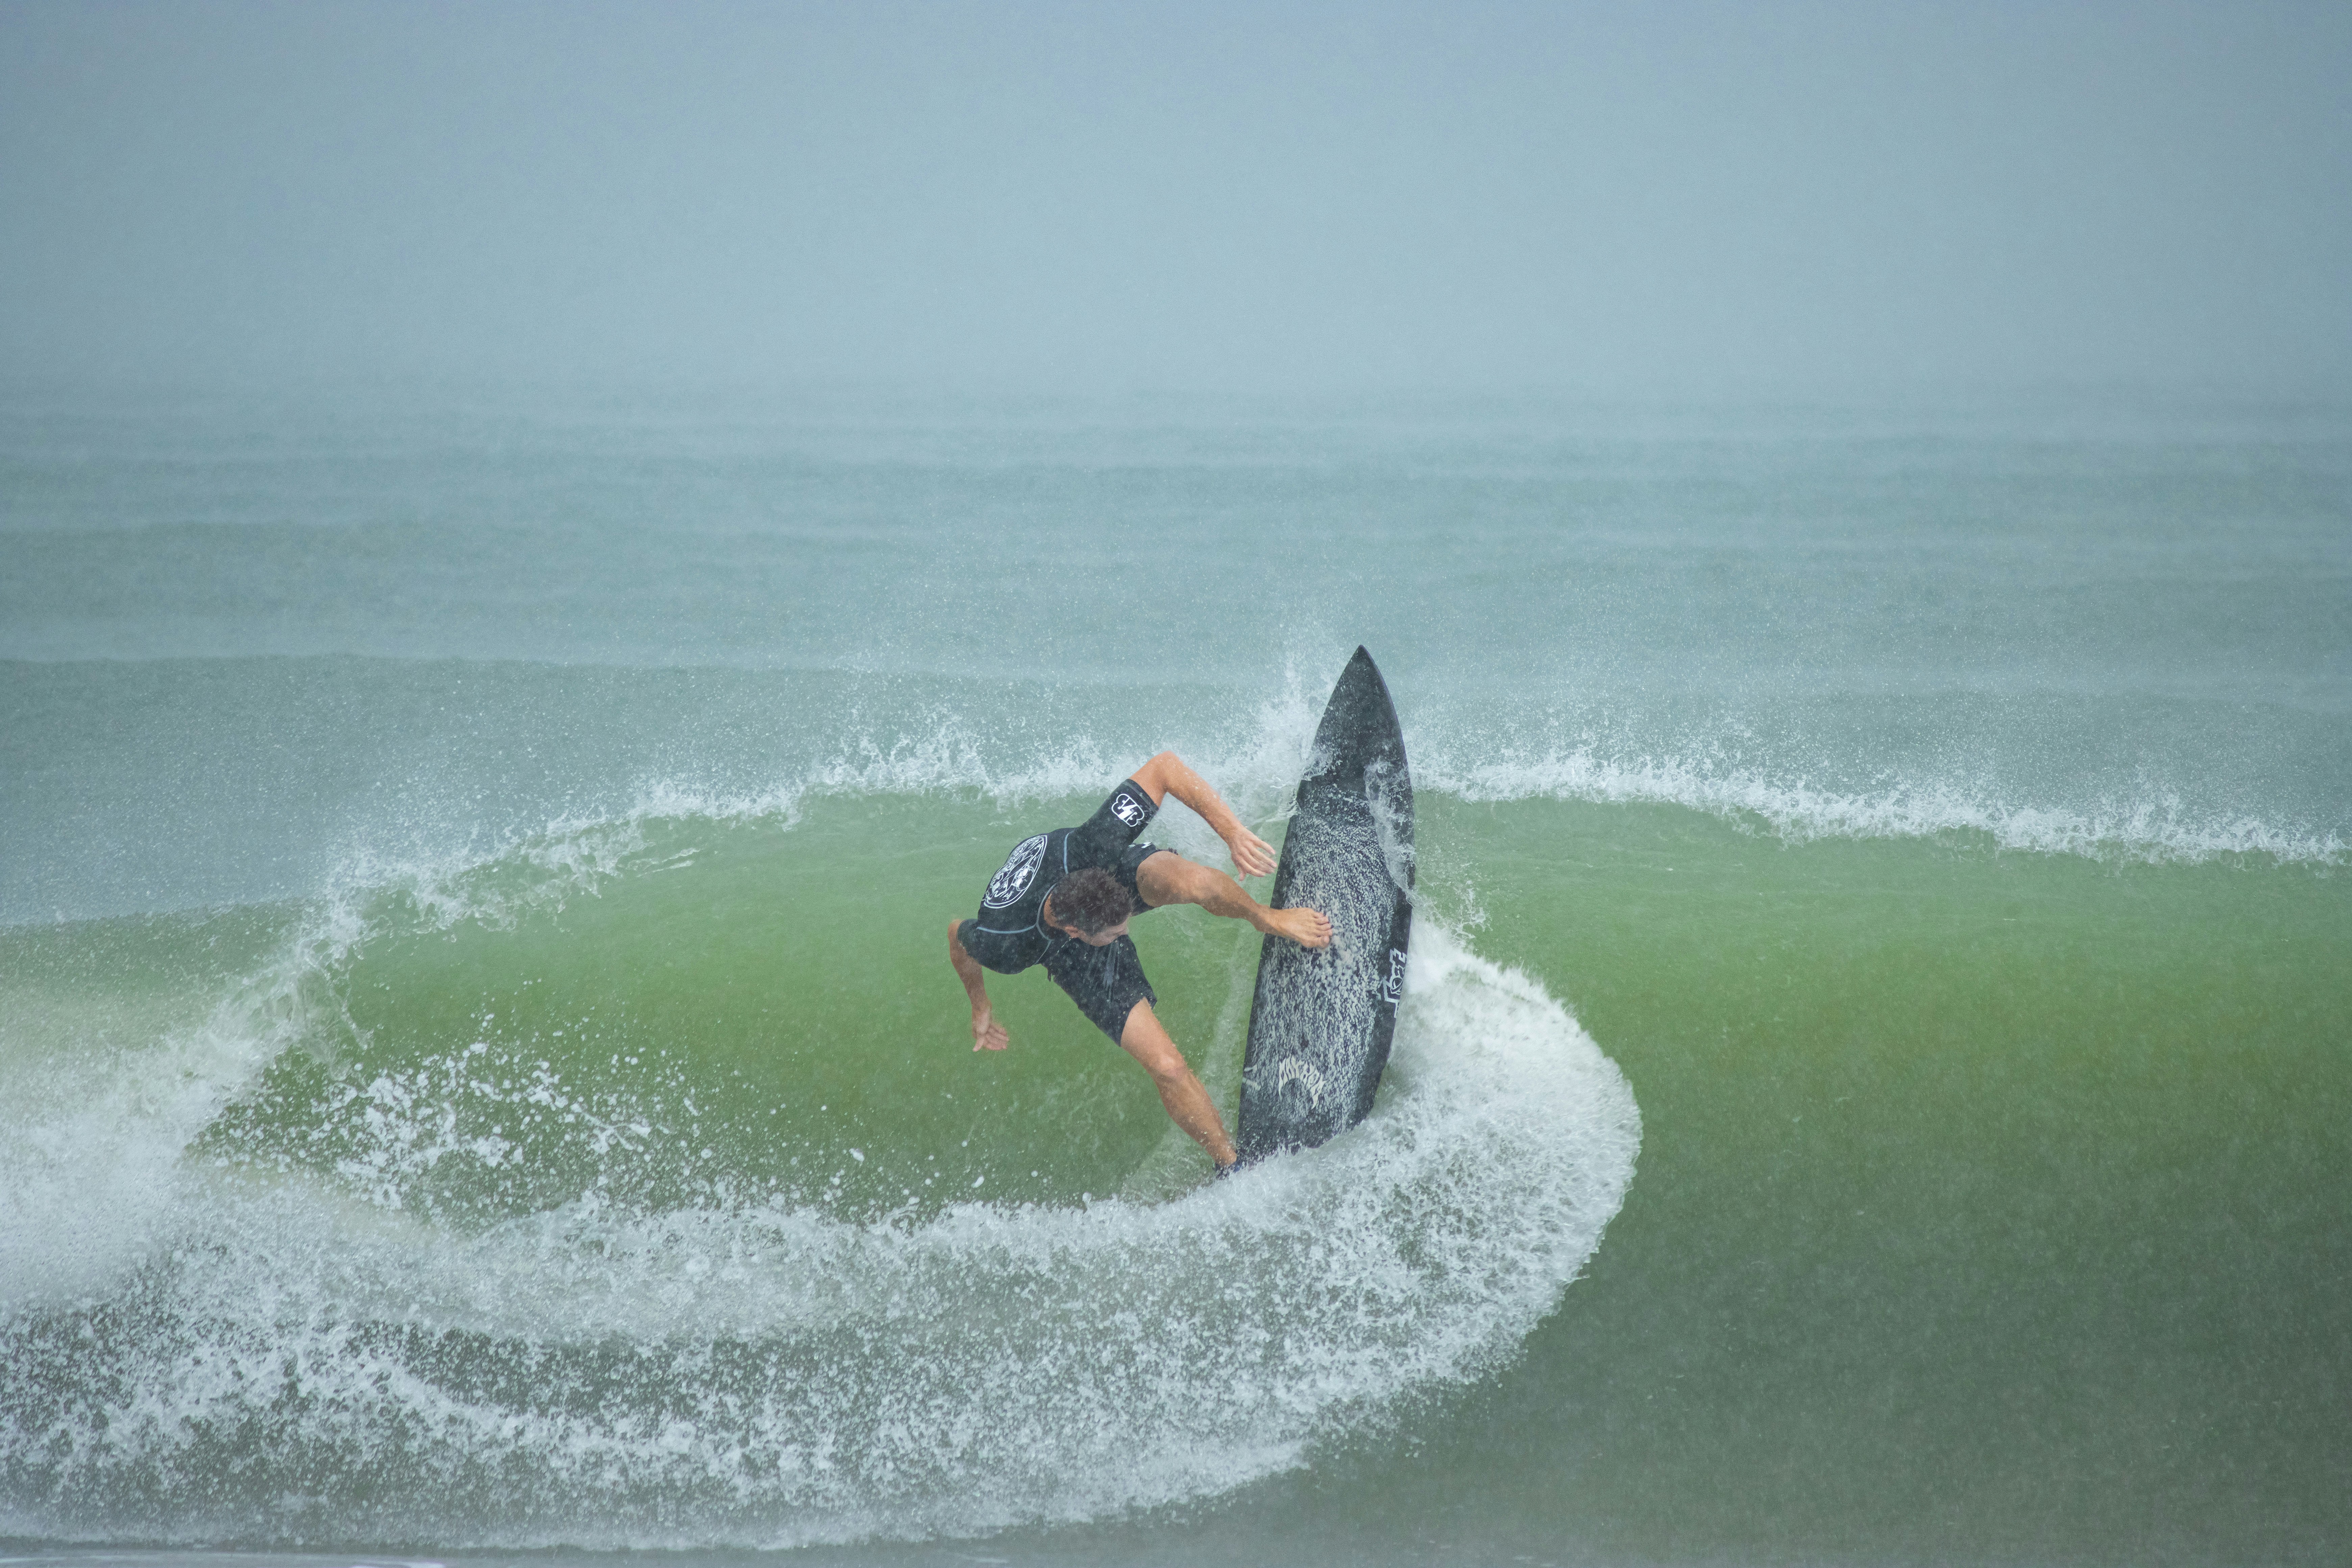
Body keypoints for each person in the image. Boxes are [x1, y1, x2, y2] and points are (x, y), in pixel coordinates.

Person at [947, 751, 1331, 1173]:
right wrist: (980, 1005)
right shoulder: (1007, 946)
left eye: (1125, 924)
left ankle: (1266, 918)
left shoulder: (1096, 843)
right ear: (1079, 933)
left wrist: (1233, 833)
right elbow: (956, 934)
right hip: (1060, 949)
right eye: (1116, 935)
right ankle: (1230, 1163)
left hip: (1098, 876)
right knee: (1168, 1067)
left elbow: (1165, 766)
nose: (1126, 936)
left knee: (1196, 883)